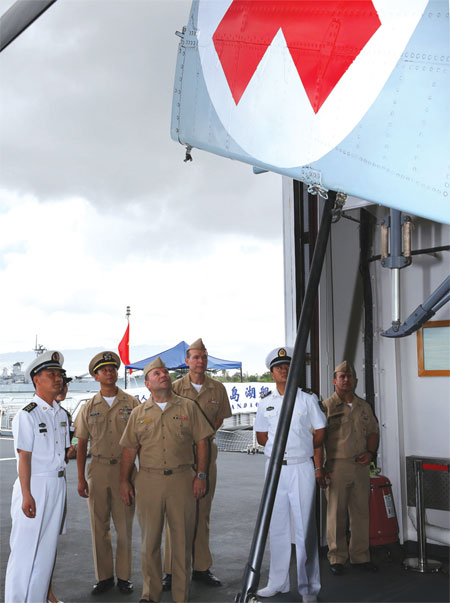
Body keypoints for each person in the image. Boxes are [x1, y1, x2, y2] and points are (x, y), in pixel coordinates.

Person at [119, 357, 214, 603]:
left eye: (165, 372)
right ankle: (150, 595)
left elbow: (202, 441)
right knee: (149, 542)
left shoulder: (188, 407)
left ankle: (181, 596)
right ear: (148, 384)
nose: (163, 375)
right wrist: (125, 481)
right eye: (156, 373)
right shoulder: (139, 413)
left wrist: (201, 475)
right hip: (148, 481)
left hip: (183, 479)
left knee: (181, 543)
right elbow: (129, 449)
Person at [254, 347, 327, 603]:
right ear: (271, 373)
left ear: (295, 370)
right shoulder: (265, 402)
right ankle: (278, 582)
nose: (283, 370)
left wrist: (304, 447)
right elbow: (262, 437)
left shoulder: (307, 399)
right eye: (278, 367)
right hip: (274, 469)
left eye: (287, 366)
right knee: (277, 526)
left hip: (300, 467)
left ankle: (308, 588)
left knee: (304, 528)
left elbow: (320, 431)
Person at [163, 338, 231, 590]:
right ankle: (171, 570)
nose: (200, 361)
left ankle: (201, 568)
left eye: (203, 357)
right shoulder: (176, 388)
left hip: (207, 455)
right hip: (180, 456)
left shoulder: (218, 389)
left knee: (202, 512)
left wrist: (203, 436)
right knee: (176, 513)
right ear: (186, 361)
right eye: (195, 357)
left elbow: (221, 418)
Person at [5, 351, 70, 603]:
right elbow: (24, 457)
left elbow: (62, 452)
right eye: (51, 374)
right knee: (24, 552)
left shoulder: (61, 414)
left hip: (57, 484)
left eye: (59, 374)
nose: (58, 379)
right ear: (36, 380)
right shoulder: (27, 414)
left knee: (46, 552)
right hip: (35, 484)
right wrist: (27, 493)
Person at [73, 351, 140, 596]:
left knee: (124, 526)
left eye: (112, 368)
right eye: (104, 370)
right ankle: (104, 577)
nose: (109, 372)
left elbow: (140, 441)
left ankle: (124, 577)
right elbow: (81, 444)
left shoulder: (132, 404)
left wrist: (137, 476)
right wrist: (80, 478)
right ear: (95, 376)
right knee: (98, 526)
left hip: (125, 471)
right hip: (98, 470)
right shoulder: (88, 407)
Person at [323, 360, 379, 575]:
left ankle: (360, 556)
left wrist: (370, 453)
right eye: (342, 377)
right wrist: (320, 468)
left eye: (349, 377)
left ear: (355, 380)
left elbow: (373, 432)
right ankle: (337, 557)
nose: (346, 380)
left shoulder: (364, 406)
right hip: (336, 467)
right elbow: (317, 440)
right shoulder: (326, 407)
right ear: (334, 381)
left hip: (361, 466)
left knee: (361, 513)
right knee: (336, 514)